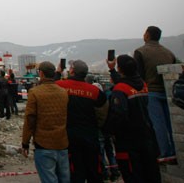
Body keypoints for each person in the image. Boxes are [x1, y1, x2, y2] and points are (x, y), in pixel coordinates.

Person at [105, 55, 161, 183]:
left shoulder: (120, 90)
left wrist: (108, 130)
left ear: (121, 69)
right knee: (151, 173)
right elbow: (127, 84)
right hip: (147, 137)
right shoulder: (142, 84)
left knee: (133, 175)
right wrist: (113, 70)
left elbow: (118, 114)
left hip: (128, 141)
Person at [56, 60, 108, 183]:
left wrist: (58, 72)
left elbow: (48, 87)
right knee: (94, 171)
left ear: (72, 71)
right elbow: (102, 111)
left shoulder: (61, 86)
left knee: (75, 172)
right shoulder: (94, 91)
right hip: (90, 135)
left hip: (70, 136)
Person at [133, 25, 177, 160]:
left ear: (147, 35)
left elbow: (138, 75)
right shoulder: (169, 53)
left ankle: (165, 153)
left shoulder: (140, 51)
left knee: (157, 124)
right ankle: (176, 151)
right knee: (171, 124)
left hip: (151, 92)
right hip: (169, 92)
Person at [21, 61, 70, 183]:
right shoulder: (63, 92)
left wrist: (25, 142)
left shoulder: (35, 92)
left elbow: (30, 119)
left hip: (43, 144)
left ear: (41, 73)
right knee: (65, 178)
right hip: (62, 143)